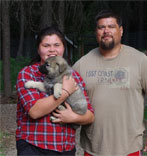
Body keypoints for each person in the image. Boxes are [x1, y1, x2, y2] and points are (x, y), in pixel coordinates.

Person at [72, 10, 147, 156]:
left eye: (111, 26)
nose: (106, 31)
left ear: (121, 31)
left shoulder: (139, 60)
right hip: (93, 147)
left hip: (129, 147)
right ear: (96, 32)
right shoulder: (81, 65)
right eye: (101, 27)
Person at [16, 26, 94, 155]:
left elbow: (90, 116)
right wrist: (65, 92)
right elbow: (34, 112)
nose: (52, 49)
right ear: (38, 48)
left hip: (65, 148)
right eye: (46, 45)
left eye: (57, 45)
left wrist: (72, 117)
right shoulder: (27, 73)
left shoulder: (74, 76)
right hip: (34, 147)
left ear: (63, 47)